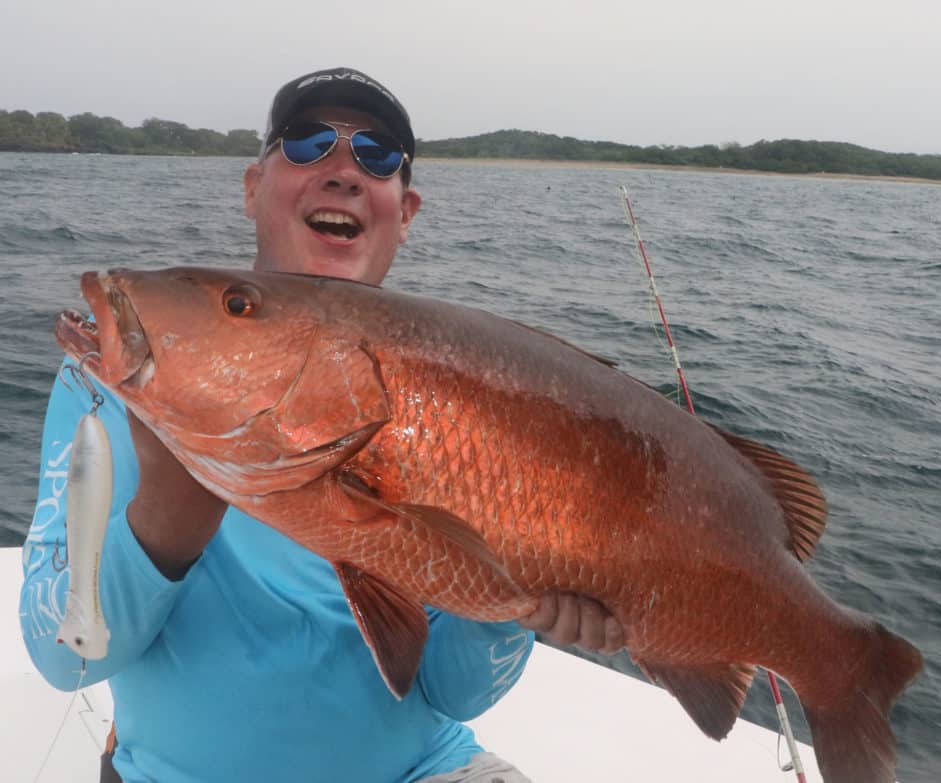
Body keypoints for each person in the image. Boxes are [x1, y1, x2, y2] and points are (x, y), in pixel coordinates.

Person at [20, 67, 624, 783]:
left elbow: (454, 693)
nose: (342, 170)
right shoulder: (110, 386)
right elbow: (60, 654)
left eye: (377, 155)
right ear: (251, 186)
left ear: (407, 209)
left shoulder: (464, 398)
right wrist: (166, 518)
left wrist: (514, 610)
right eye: (307, 143)